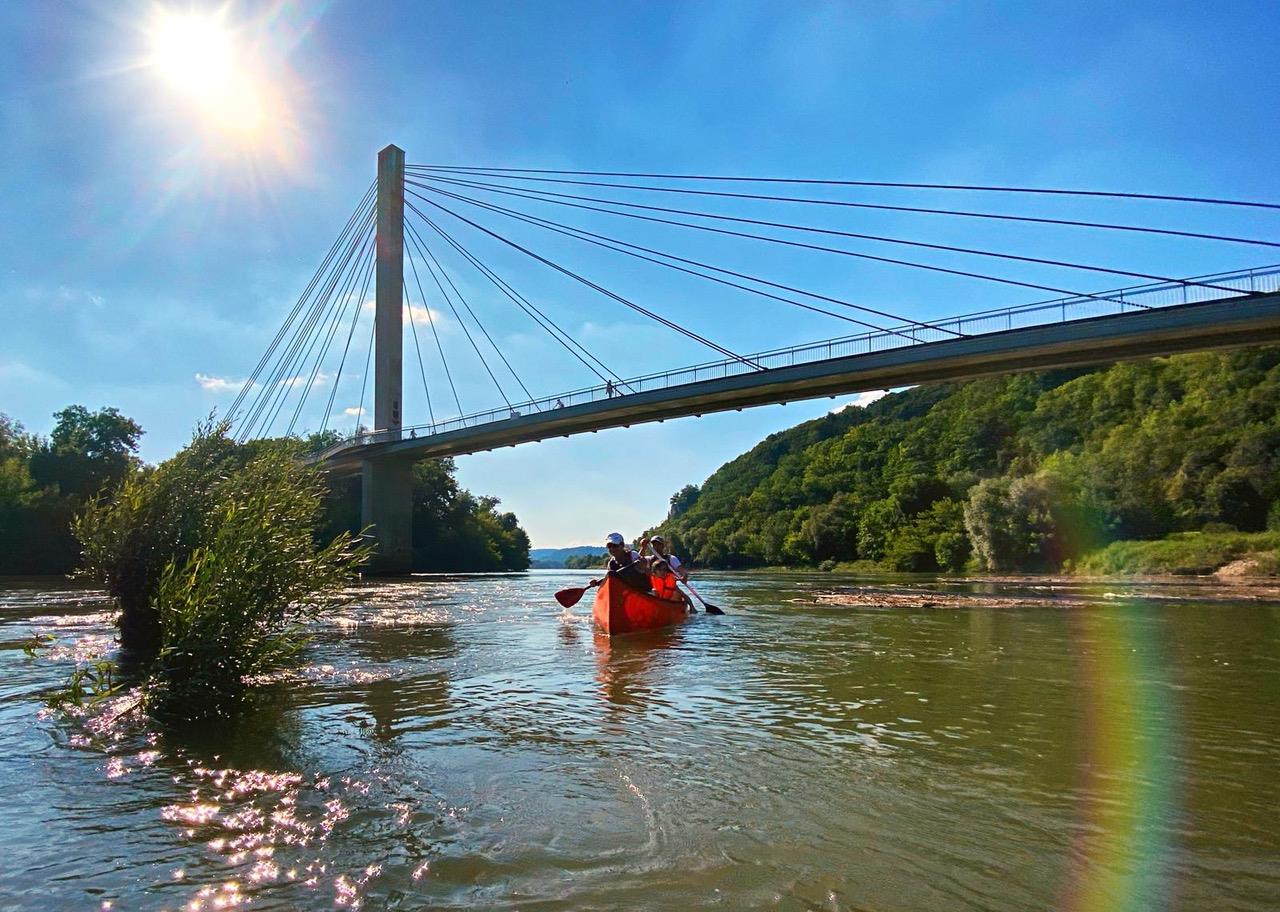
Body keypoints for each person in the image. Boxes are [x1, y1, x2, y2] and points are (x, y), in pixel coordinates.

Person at [645, 535, 694, 610]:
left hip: (670, 589)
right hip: (655, 588)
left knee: (677, 593)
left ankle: (690, 607)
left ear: (663, 546)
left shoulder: (671, 558)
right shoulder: (648, 559)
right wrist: (643, 547)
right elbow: (638, 561)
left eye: (659, 544)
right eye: (654, 545)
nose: (656, 547)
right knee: (652, 592)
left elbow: (683, 571)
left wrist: (684, 576)